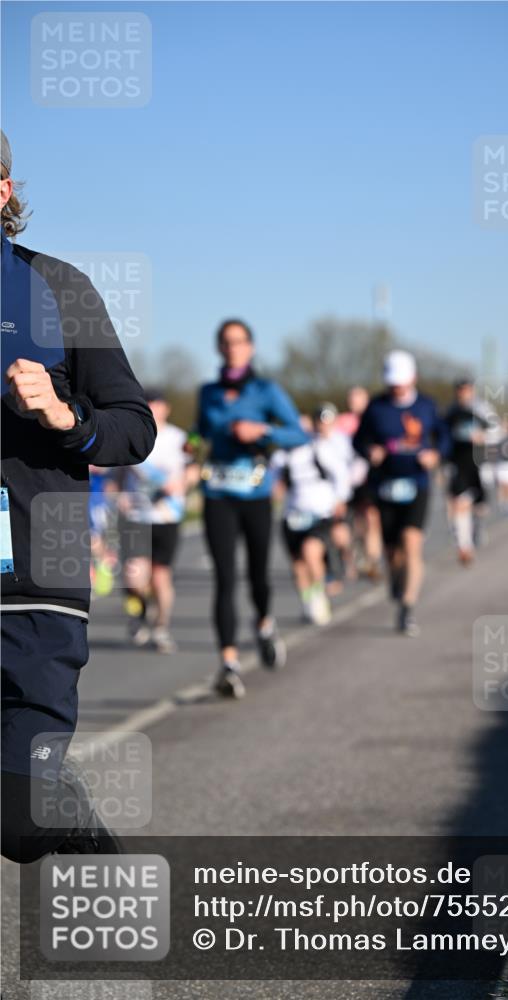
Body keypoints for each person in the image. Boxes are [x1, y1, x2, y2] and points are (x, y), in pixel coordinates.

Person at [1, 131, 156, 862]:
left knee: (21, 821)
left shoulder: (56, 288)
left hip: (37, 581)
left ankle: (65, 815)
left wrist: (65, 418)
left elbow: (134, 427)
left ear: (3, 192)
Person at [195, 318, 308, 698]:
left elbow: (299, 433)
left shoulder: (266, 390)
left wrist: (262, 431)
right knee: (225, 579)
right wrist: (192, 443)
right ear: (219, 349)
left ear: (251, 347)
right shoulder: (208, 392)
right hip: (217, 493)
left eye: (239, 342)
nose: (232, 348)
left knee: (258, 575)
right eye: (226, 342)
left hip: (257, 495)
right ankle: (228, 663)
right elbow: (201, 432)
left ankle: (264, 623)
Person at [353, 350, 443, 637]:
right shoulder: (376, 408)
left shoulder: (427, 406)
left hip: (417, 483)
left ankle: (407, 606)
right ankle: (396, 582)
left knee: (412, 541)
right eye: (393, 383)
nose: (397, 388)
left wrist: (435, 454)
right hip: (385, 485)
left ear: (413, 378)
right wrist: (370, 451)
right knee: (392, 551)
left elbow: (444, 437)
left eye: (402, 382)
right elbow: (359, 440)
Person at [116, 387, 197, 653]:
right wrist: (119, 495)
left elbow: (194, 469)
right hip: (137, 515)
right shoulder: (131, 433)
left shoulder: (178, 438)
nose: (153, 408)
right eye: (148, 403)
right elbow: (119, 469)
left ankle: (161, 628)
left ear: (166, 408)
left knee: (161, 578)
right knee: (135, 576)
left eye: (157, 404)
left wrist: (181, 485)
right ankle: (139, 612)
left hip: (167, 515)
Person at [272, 403, 352, 625]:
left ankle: (319, 595)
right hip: (292, 515)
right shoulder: (281, 455)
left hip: (318, 513)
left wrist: (339, 500)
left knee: (311, 553)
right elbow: (271, 480)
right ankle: (308, 601)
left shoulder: (319, 448)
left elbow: (340, 474)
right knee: (298, 566)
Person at [441, 378, 495, 565]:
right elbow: (443, 437)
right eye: (460, 391)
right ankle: (464, 546)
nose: (463, 394)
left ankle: (477, 528)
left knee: (479, 507)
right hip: (459, 464)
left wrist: (484, 437)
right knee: (459, 503)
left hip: (479, 464)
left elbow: (497, 432)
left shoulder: (483, 409)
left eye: (467, 390)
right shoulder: (451, 412)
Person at [337, 386, 383, 580]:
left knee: (371, 518)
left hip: (369, 478)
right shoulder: (342, 422)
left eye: (358, 398)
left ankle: (373, 560)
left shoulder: (374, 421)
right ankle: (352, 559)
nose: (354, 402)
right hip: (347, 480)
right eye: (351, 398)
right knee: (352, 522)